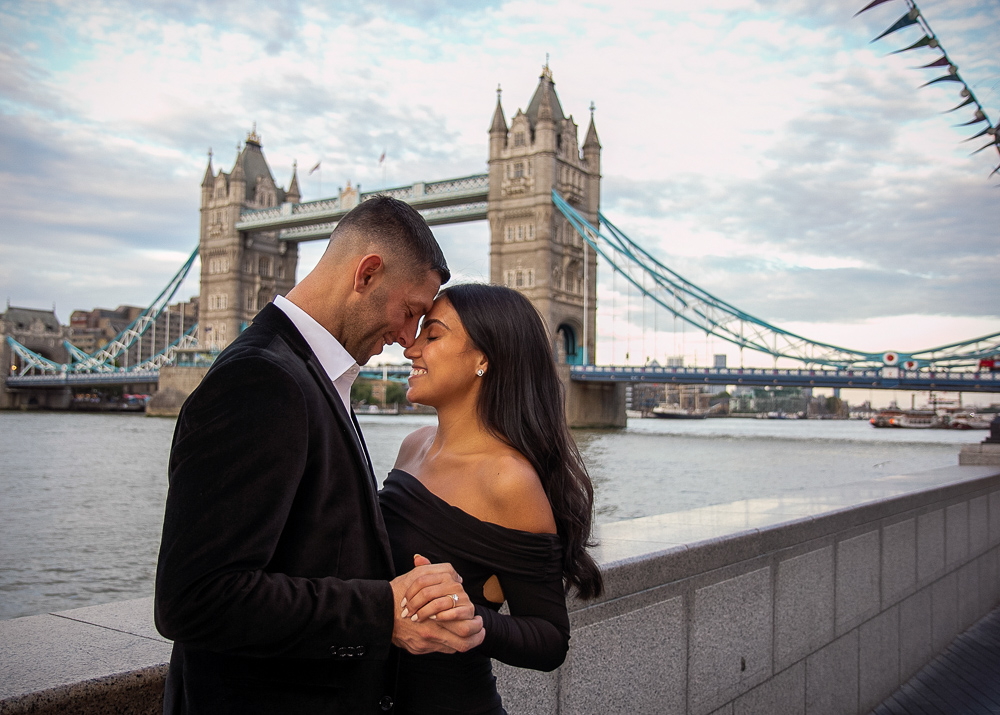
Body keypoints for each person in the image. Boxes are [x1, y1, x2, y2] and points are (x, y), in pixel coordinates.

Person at [154, 196, 485, 714]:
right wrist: (384, 612)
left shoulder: (311, 373)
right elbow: (196, 599)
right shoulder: (260, 380)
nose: (406, 339)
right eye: (410, 312)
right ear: (367, 273)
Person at [378, 283, 605, 714]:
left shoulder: (508, 479)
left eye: (433, 335)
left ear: (484, 359)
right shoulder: (414, 445)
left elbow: (550, 639)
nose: (411, 349)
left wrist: (473, 619)